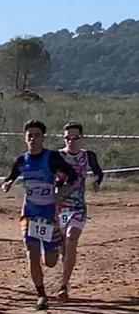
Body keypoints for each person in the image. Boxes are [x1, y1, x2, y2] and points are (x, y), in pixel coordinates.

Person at [1, 120, 78, 311]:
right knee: (31, 254)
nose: (33, 138)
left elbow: (73, 178)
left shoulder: (52, 157)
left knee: (50, 261)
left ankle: (56, 243)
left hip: (48, 214)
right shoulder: (21, 160)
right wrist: (7, 184)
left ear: (42, 137)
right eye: (30, 135)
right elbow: (10, 176)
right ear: (25, 137)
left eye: (36, 135)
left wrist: (61, 191)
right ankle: (41, 294)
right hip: (29, 214)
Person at [57, 122, 104, 300]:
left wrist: (96, 182)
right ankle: (63, 272)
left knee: (71, 239)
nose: (71, 141)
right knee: (62, 249)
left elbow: (99, 172)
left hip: (77, 207)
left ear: (81, 138)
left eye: (75, 137)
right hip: (59, 208)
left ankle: (64, 285)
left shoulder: (88, 156)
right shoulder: (58, 156)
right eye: (67, 137)